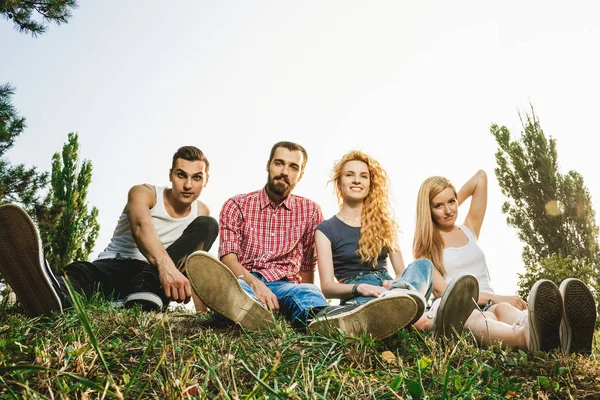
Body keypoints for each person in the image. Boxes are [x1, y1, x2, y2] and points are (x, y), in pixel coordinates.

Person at [185, 141, 419, 339]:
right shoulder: (237, 205)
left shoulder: (310, 211)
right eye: (279, 163)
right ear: (268, 165)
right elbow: (228, 257)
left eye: (293, 167)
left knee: (306, 292)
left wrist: (312, 292)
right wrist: (256, 285)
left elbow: (308, 267)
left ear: (300, 174)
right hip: (247, 278)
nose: (284, 171)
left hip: (287, 285)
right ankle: (248, 309)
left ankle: (326, 325)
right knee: (237, 288)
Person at [0, 146, 218, 315]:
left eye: (196, 177)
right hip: (116, 266)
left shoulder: (201, 211)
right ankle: (53, 289)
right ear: (171, 175)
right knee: (81, 274)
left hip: (152, 283)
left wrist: (202, 312)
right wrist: (165, 268)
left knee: (209, 225)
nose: (188, 185)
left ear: (206, 180)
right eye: (181, 175)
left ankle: (144, 294)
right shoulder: (144, 193)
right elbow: (140, 227)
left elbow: (195, 260)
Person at [414, 170, 597, 353]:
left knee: (503, 309)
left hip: (490, 302)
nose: (448, 211)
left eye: (451, 202)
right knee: (480, 318)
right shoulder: (426, 249)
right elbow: (447, 293)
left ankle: (558, 333)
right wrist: (498, 297)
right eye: (438, 206)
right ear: (427, 210)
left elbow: (480, 178)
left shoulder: (469, 229)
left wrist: (447, 200)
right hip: (459, 310)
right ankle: (525, 339)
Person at [315, 150, 479, 338]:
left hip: (393, 290)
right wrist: (360, 288)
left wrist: (395, 285)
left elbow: (401, 271)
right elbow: (327, 286)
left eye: (363, 176)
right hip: (360, 295)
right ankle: (425, 319)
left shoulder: (384, 224)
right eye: (349, 175)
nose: (356, 180)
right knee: (383, 309)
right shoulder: (325, 230)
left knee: (423, 264)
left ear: (370, 184)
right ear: (339, 182)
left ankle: (403, 306)